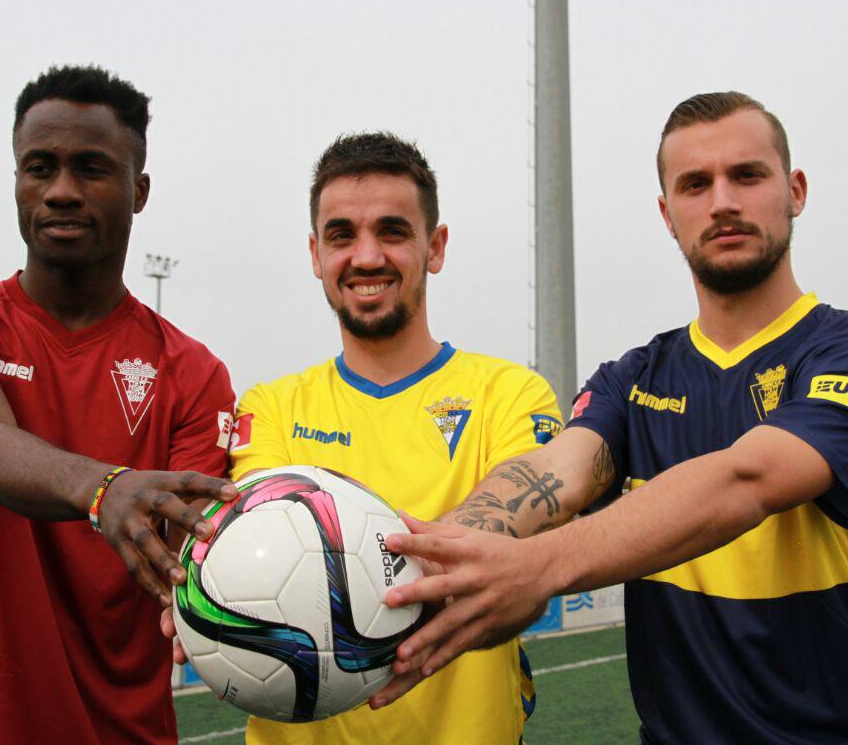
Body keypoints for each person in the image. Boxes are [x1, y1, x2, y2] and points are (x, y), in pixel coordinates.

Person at [376, 93, 848, 743]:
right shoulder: (632, 380)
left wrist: (539, 566)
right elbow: (556, 468)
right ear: (667, 214)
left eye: (746, 175)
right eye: (695, 184)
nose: (722, 201)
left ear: (796, 190)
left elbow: (746, 480)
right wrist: (440, 556)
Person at [0, 65, 239, 744]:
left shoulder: (194, 374)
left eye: (92, 168)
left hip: (125, 730)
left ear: (139, 191)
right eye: (39, 167)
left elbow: (185, 562)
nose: (61, 192)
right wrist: (107, 489)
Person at [173, 132, 563, 743]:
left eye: (392, 231)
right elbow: (253, 536)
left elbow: (528, 537)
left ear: (435, 247)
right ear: (315, 254)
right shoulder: (271, 407)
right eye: (341, 236)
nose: (366, 256)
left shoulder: (510, 394)